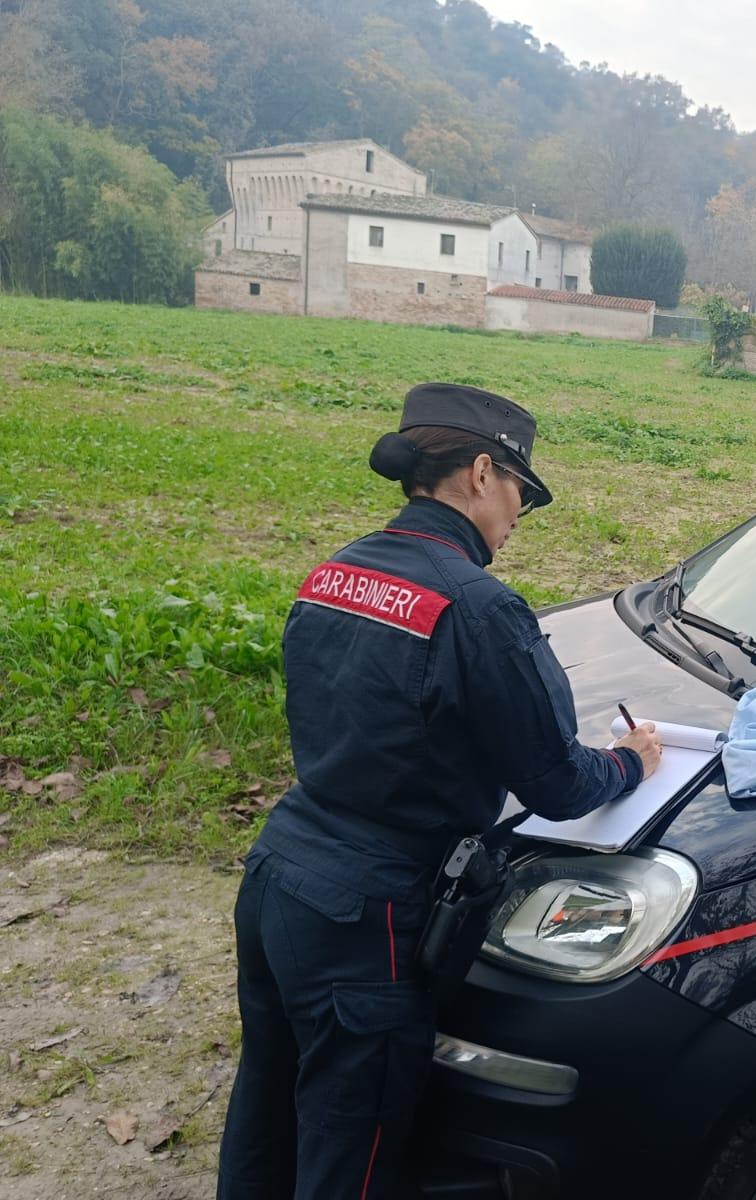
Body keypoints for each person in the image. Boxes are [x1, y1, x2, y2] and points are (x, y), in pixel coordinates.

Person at [217, 383, 662, 1200]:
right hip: (368, 916)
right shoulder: (479, 608)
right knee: (351, 1143)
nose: (520, 516)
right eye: (522, 493)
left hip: (277, 875)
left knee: (268, 1105)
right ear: (482, 473)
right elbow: (558, 781)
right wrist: (632, 761)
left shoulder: (337, 570)